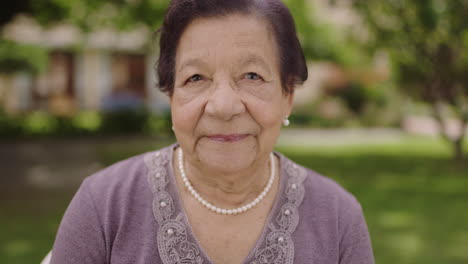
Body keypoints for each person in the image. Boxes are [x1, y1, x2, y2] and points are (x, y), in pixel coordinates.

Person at [50, 0, 374, 263]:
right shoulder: (104, 204)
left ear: (287, 96)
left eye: (251, 76)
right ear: (171, 96)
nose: (223, 105)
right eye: (196, 78)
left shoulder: (338, 215)